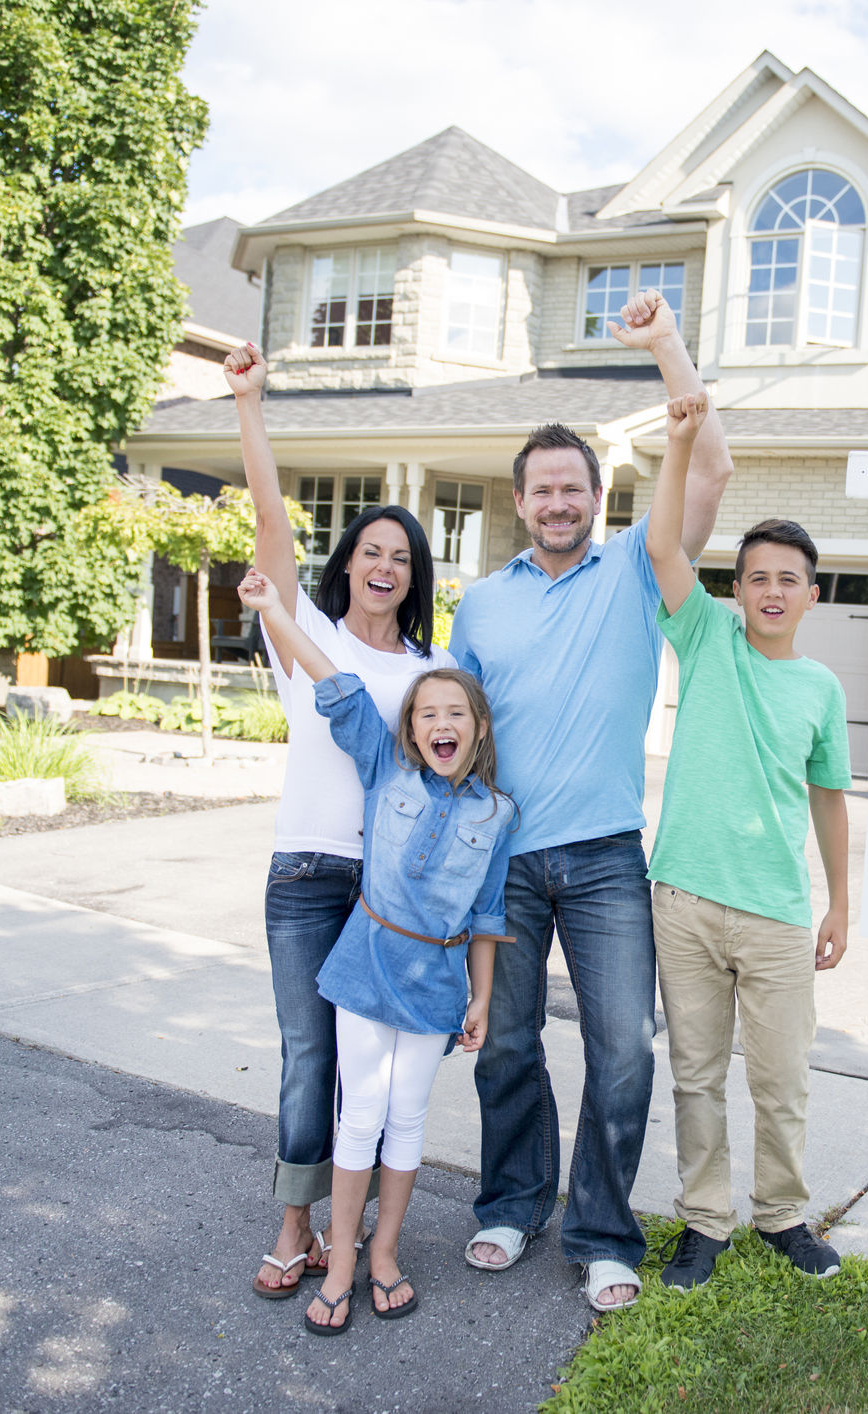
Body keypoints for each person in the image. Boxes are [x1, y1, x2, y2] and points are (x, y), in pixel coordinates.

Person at [451, 290, 734, 1312]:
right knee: (509, 1046)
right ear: (520, 501)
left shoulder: (636, 566)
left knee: (623, 1048)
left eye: (575, 487)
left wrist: (665, 350)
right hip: (505, 860)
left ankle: (602, 1230)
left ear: (597, 495)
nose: (560, 503)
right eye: (543, 490)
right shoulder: (479, 602)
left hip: (611, 855)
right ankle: (510, 1202)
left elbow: (710, 467)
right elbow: (452, 738)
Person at [223, 343, 456, 1302]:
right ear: (347, 564)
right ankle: (295, 1224)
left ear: (415, 577)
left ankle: (358, 1232)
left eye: (402, 559)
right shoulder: (301, 635)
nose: (385, 568)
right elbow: (271, 519)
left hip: (385, 894)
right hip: (302, 876)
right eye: (371, 552)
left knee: (371, 1074)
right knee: (306, 1053)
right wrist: (249, 404)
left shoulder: (432, 676)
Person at [237, 565, 513, 1334]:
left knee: (408, 1115)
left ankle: (385, 1251)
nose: (440, 725)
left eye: (456, 713)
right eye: (427, 713)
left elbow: (487, 913)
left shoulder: (496, 814)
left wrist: (481, 997)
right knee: (360, 1114)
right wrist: (272, 612)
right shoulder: (382, 765)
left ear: (477, 728)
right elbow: (335, 680)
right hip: (364, 968)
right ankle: (345, 1260)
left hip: (436, 984)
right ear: (410, 729)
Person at [641, 392, 853, 1288]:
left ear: (812, 593)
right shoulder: (705, 638)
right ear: (737, 590)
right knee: (694, 1078)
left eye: (787, 579)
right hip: (684, 896)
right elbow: (660, 546)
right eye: (756, 576)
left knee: (779, 1082)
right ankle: (704, 1221)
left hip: (773, 911)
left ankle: (781, 1216)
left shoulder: (821, 688)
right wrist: (679, 444)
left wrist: (840, 901)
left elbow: (830, 799)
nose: (771, 591)